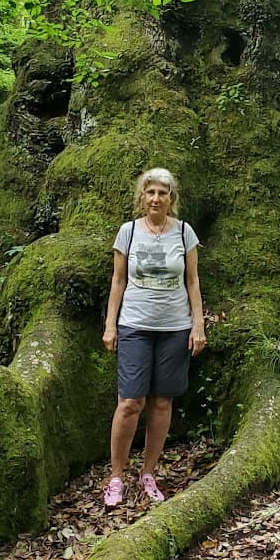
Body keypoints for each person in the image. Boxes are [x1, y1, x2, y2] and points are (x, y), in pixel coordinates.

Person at [102, 167, 205, 506]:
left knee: (162, 402)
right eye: (151, 192)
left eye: (163, 192)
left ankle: (149, 472)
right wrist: (110, 325)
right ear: (142, 197)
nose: (156, 198)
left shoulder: (184, 233)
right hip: (134, 326)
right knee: (130, 402)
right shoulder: (128, 232)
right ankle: (117, 475)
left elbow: (192, 281)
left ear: (171, 198)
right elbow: (118, 281)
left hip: (175, 328)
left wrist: (198, 325)